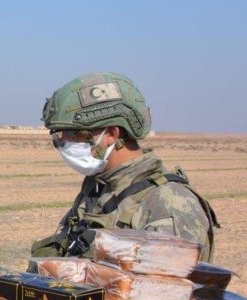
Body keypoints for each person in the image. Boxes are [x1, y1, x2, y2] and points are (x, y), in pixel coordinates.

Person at [31, 72, 218, 260]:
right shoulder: (97, 190)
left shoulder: (170, 204)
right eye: (59, 137)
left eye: (73, 135)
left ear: (111, 133)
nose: (64, 144)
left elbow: (170, 286)